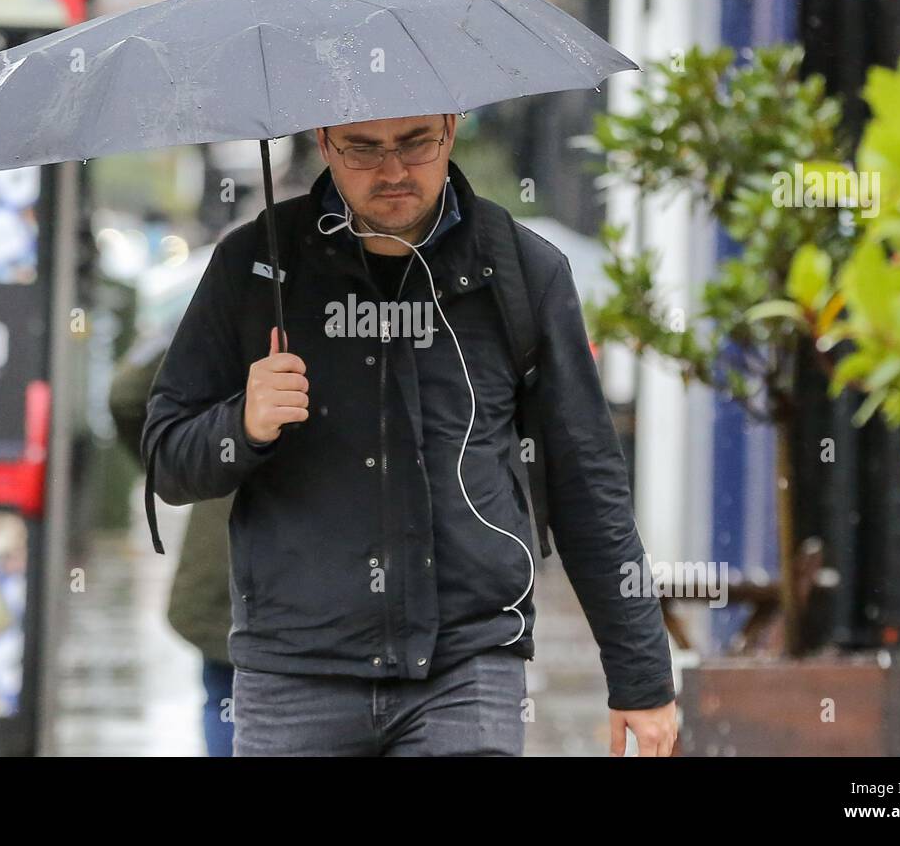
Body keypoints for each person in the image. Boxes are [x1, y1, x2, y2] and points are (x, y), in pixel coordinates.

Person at [141, 113, 677, 756]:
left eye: (416, 143)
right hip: (294, 673)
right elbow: (168, 459)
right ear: (325, 144)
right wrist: (244, 424)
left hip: (468, 667)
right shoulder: (254, 268)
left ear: (449, 130)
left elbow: (588, 481)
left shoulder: (519, 270)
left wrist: (642, 679)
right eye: (363, 149)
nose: (393, 171)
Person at [109, 332, 237, 757]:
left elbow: (128, 393)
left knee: (224, 701)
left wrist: (173, 466)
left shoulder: (231, 309)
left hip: (227, 566)